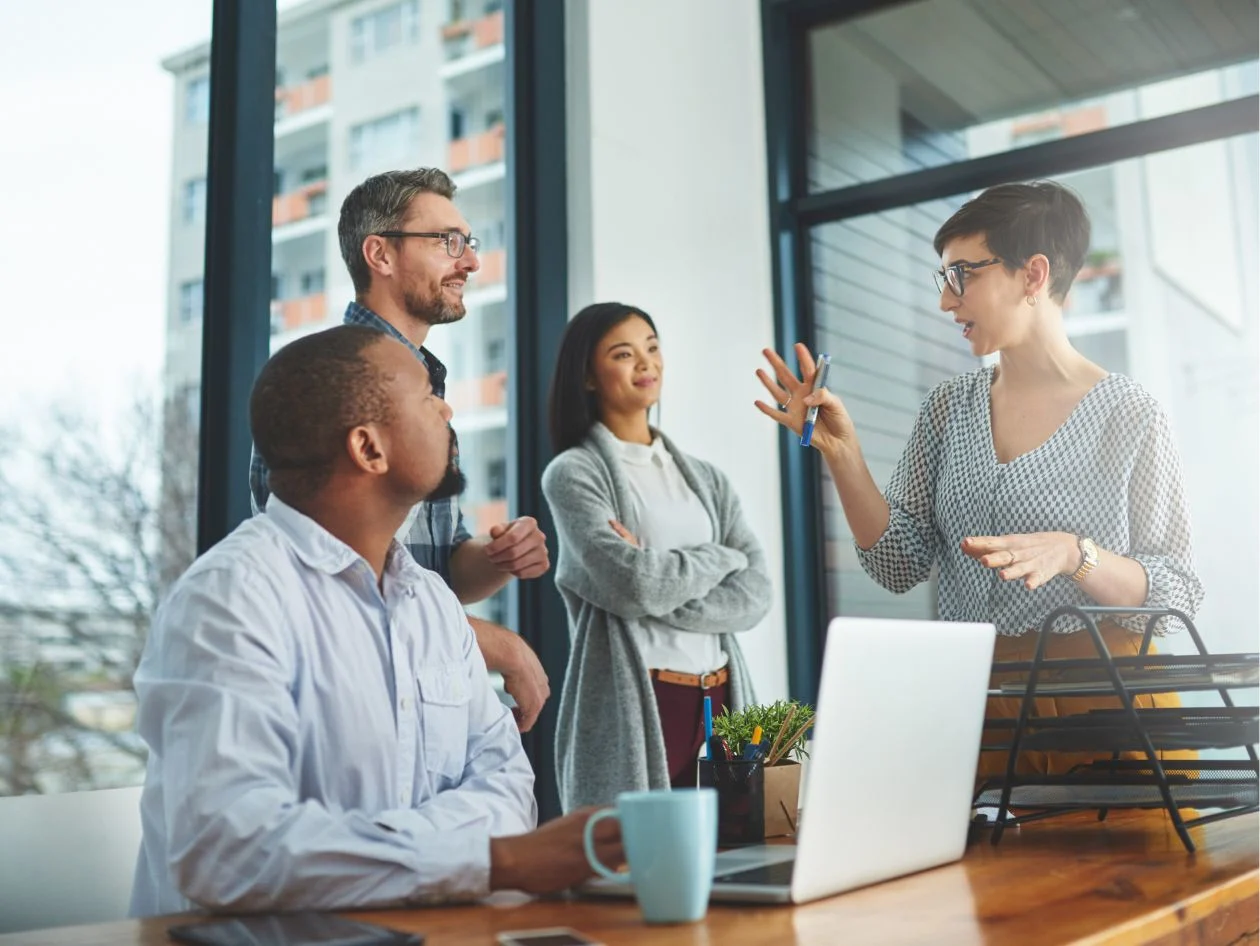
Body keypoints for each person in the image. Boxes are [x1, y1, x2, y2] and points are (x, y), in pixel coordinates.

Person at [131, 326, 620, 916]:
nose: (446, 408)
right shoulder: (229, 599)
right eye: (425, 397)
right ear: (369, 449)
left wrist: (373, 851)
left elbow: (509, 785)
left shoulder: (432, 601)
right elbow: (230, 850)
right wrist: (494, 862)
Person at [756, 181, 1203, 778]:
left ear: (1032, 275)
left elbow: (1178, 591)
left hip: (1105, 703)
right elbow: (897, 564)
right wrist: (843, 454)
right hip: (976, 705)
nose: (946, 301)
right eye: (942, 278)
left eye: (962, 275)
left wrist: (1076, 554)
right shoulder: (947, 409)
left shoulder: (1130, 412)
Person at [250, 167, 550, 732]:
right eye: (448, 242)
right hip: (355, 706)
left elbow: (442, 569)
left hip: (426, 693)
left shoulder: (429, 389)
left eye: (470, 243)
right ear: (380, 254)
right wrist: (493, 643)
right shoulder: (323, 382)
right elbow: (331, 584)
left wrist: (496, 558)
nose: (470, 262)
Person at [542, 303, 771, 810]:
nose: (646, 363)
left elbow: (756, 596)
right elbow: (635, 586)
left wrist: (658, 575)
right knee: (638, 869)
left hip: (722, 696)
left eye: (652, 347)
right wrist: (720, 558)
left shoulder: (707, 479)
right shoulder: (573, 474)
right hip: (643, 698)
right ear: (587, 376)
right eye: (624, 354)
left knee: (739, 864)